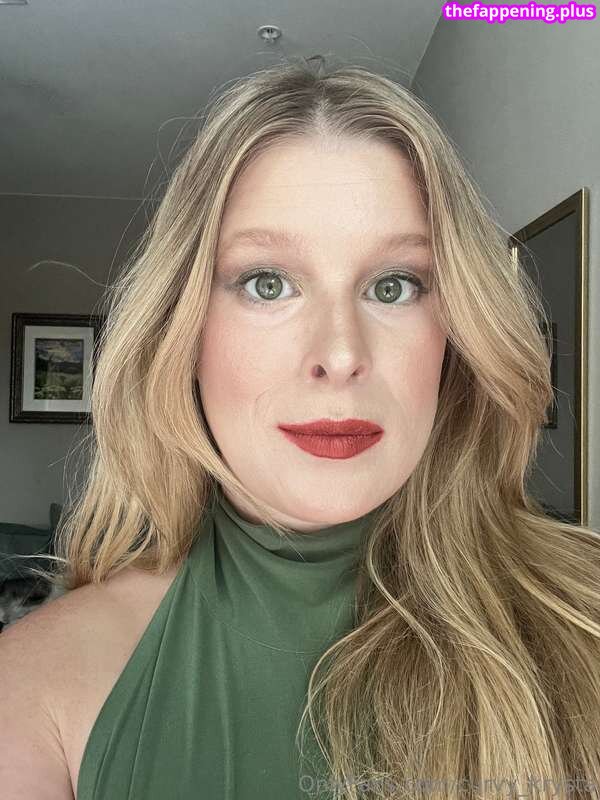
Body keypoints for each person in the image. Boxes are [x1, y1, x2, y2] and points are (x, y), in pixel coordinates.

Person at [1, 55, 600, 800]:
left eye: (393, 286)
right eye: (267, 283)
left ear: (453, 335)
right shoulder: (34, 691)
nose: (341, 355)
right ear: (184, 331)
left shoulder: (585, 622)